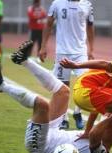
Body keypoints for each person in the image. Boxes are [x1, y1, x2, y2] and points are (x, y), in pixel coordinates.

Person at [39, 0, 95, 130]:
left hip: (80, 53)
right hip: (62, 52)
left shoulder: (87, 5)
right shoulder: (57, 3)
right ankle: (63, 119)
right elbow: (48, 24)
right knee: (62, 87)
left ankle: (77, 112)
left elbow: (90, 26)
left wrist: (91, 49)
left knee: (86, 83)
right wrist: (43, 47)